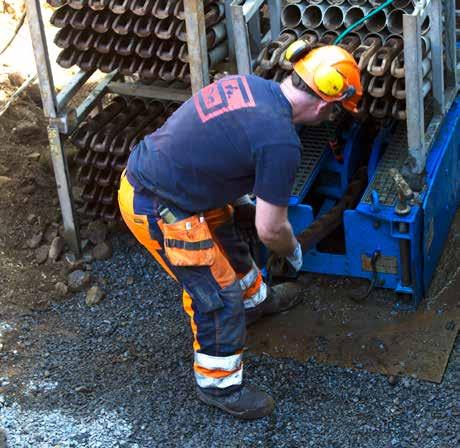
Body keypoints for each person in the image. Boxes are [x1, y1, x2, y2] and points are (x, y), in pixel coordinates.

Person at [118, 42, 362, 420]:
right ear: (323, 104)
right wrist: (292, 249)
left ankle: (257, 302)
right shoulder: (281, 141)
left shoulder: (251, 86)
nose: (332, 117)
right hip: (156, 205)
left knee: (230, 241)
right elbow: (270, 229)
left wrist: (244, 202)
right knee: (217, 296)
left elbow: (221, 144)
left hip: (184, 188)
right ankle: (219, 385)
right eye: (335, 112)